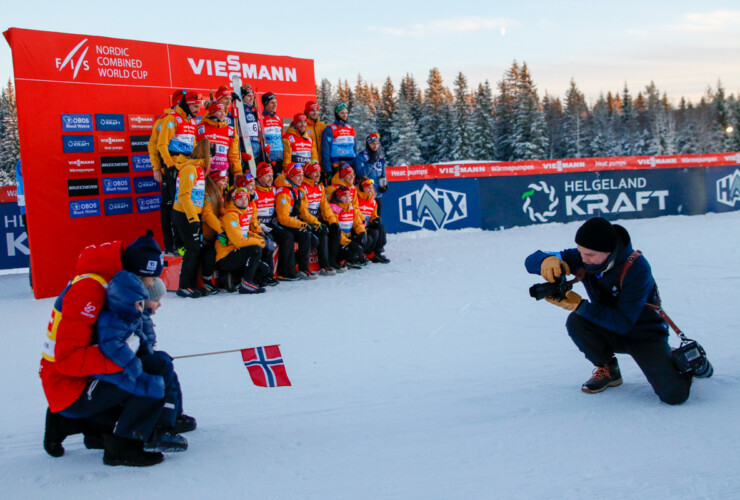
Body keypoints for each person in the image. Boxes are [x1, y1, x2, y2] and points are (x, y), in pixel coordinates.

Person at [524, 217, 701, 405]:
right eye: (581, 252)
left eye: (589, 255)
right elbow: (530, 261)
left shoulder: (637, 268)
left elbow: (623, 322)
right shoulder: (585, 256)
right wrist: (546, 260)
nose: (583, 258)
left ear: (609, 252)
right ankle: (609, 370)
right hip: (609, 329)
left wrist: (579, 305)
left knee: (674, 396)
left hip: (645, 336)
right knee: (577, 322)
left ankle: (675, 362)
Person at [40, 231, 180, 466]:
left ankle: (90, 424)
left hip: (78, 378)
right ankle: (122, 447)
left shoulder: (108, 283)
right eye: (151, 279)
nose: (152, 284)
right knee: (149, 375)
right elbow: (68, 358)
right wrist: (125, 360)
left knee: (156, 362)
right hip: (67, 385)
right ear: (137, 274)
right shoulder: (89, 289)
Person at [93, 271, 189, 454]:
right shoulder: (131, 316)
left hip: (138, 360)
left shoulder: (140, 315)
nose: (159, 304)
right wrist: (141, 362)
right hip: (128, 368)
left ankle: (174, 415)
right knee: (160, 372)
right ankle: (162, 424)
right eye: (156, 300)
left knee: (165, 367)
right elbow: (120, 345)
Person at [216, 175, 270, 294]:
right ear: (234, 200)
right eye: (240, 199)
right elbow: (239, 241)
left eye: (245, 199)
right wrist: (261, 242)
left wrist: (260, 237)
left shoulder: (243, 213)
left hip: (237, 251)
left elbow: (246, 233)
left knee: (265, 269)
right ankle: (246, 282)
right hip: (227, 255)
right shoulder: (231, 215)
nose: (244, 201)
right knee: (255, 249)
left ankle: (235, 277)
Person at [172, 138, 211, 298]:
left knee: (196, 249)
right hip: (184, 214)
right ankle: (184, 286)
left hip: (192, 214)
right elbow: (183, 195)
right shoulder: (190, 169)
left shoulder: (199, 169)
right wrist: (193, 219)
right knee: (192, 249)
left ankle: (192, 284)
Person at [148, 89, 186, 253]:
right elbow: (153, 146)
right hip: (169, 170)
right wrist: (157, 168)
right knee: (169, 207)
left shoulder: (188, 122)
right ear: (178, 102)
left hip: (184, 169)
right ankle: (170, 246)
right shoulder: (164, 120)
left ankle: (181, 244)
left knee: (183, 206)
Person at [254, 162, 299, 281]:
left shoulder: (274, 190)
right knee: (268, 240)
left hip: (271, 224)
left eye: (271, 175)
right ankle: (266, 275)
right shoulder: (254, 191)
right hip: (256, 226)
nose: (270, 178)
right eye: (267, 175)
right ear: (259, 177)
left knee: (287, 236)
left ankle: (285, 272)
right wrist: (259, 225)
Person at [274, 163, 319, 280]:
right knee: (299, 235)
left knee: (313, 240)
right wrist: (304, 225)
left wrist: (316, 223)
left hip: (293, 223)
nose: (301, 178)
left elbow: (303, 212)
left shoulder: (298, 190)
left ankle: (294, 265)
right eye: (298, 175)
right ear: (291, 176)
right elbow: (283, 218)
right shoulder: (283, 192)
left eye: (302, 175)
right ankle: (292, 270)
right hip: (281, 224)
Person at [301, 160, 342, 275]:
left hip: (315, 219)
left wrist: (333, 221)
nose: (318, 175)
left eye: (319, 172)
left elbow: (325, 207)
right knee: (323, 231)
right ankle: (324, 265)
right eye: (315, 172)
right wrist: (316, 222)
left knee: (335, 229)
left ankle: (332, 261)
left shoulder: (319, 187)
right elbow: (302, 212)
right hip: (305, 220)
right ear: (308, 173)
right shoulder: (303, 187)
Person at [201, 168, 229, 293]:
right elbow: (207, 214)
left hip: (218, 234)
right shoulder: (208, 194)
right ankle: (206, 280)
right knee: (210, 253)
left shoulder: (222, 192)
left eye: (226, 180)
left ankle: (227, 279)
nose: (225, 183)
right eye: (222, 180)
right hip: (207, 235)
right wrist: (221, 229)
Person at [196, 101, 241, 178]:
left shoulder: (231, 132)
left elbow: (234, 156)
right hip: (204, 173)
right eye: (219, 111)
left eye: (224, 111)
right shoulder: (201, 128)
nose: (223, 114)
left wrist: (237, 173)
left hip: (222, 175)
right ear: (212, 112)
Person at [329, 186, 368, 269]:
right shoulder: (335, 209)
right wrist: (348, 243)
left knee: (364, 240)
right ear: (339, 197)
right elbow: (336, 232)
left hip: (348, 237)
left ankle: (354, 258)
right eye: (345, 196)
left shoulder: (351, 208)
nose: (348, 198)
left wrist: (362, 233)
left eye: (349, 196)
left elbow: (358, 224)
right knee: (353, 248)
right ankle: (343, 260)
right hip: (339, 241)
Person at [357, 178, 390, 264]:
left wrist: (375, 219)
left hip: (367, 225)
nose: (370, 190)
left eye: (371, 187)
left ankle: (377, 253)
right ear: (362, 188)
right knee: (374, 233)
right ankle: (365, 253)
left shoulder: (373, 201)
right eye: (368, 187)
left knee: (381, 228)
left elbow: (373, 215)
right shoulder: (356, 198)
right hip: (357, 225)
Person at [355, 132, 389, 215]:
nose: (375, 146)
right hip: (365, 195)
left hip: (377, 194)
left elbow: (383, 174)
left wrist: (385, 185)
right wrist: (370, 162)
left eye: (377, 144)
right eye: (373, 144)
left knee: (377, 220)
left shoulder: (380, 157)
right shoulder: (361, 157)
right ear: (368, 144)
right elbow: (361, 174)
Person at [321, 102, 356, 181]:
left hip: (350, 165)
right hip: (337, 165)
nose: (344, 115)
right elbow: (325, 152)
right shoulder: (330, 129)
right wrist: (328, 170)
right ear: (337, 114)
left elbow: (354, 149)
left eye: (346, 113)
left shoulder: (351, 128)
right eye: (342, 113)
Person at [260, 91, 284, 174]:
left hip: (280, 156)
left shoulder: (278, 118)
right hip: (268, 156)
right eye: (272, 103)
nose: (275, 105)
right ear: (266, 104)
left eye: (276, 102)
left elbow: (281, 137)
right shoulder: (261, 118)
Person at [239, 84, 262, 162]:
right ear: (242, 97)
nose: (252, 98)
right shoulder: (240, 110)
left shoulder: (255, 111)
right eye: (249, 96)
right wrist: (240, 152)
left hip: (256, 151)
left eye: (252, 95)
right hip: (245, 150)